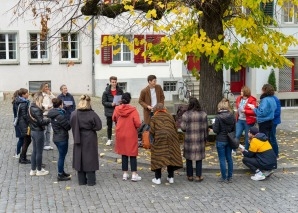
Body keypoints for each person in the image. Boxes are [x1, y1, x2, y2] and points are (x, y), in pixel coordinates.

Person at [70, 95, 102, 186]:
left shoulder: (74, 113)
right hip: (89, 137)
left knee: (79, 157)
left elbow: (71, 123)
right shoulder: (92, 114)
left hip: (78, 136)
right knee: (90, 157)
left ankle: (82, 180)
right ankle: (91, 181)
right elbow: (98, 126)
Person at [150, 103, 183, 184]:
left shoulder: (154, 117)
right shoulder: (170, 116)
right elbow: (175, 128)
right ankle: (170, 177)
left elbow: (152, 131)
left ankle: (157, 178)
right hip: (172, 138)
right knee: (170, 156)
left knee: (158, 156)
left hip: (160, 138)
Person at [112, 93, 142, 182]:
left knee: (123, 153)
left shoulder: (117, 109)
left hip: (120, 132)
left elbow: (114, 118)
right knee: (132, 153)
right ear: (130, 100)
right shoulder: (133, 110)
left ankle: (125, 173)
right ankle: (134, 174)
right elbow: (138, 123)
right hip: (131, 133)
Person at [180, 97, 208, 182]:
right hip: (199, 139)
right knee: (199, 158)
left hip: (189, 139)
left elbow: (183, 127)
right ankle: (198, 176)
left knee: (189, 158)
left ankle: (190, 176)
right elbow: (205, 128)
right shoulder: (203, 114)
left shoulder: (186, 115)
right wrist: (206, 138)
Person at [48, 98, 72, 181]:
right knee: (61, 157)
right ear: (60, 105)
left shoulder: (53, 113)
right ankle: (60, 174)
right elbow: (68, 126)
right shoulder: (60, 116)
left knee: (62, 156)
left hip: (56, 137)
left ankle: (62, 171)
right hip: (62, 138)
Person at [213, 100, 236, 183]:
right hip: (229, 139)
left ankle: (223, 177)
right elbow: (234, 129)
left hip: (220, 140)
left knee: (222, 159)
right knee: (229, 158)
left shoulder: (218, 117)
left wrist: (213, 124)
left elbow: (216, 130)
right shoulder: (232, 116)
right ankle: (230, 177)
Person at [28, 92, 51, 176]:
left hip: (33, 131)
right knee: (39, 152)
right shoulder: (37, 109)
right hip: (38, 131)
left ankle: (33, 169)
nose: (42, 101)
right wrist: (49, 119)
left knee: (34, 151)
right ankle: (39, 170)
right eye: (42, 99)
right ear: (39, 99)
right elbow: (41, 122)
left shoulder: (30, 106)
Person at [102, 76, 123, 146]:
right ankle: (109, 139)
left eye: (115, 82)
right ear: (110, 82)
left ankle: (119, 139)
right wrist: (111, 104)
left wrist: (121, 102)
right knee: (109, 126)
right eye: (112, 82)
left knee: (119, 126)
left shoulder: (120, 90)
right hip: (109, 111)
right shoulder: (106, 92)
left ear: (117, 82)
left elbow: (123, 99)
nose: (114, 83)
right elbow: (104, 102)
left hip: (118, 111)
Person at [14, 88, 32, 164]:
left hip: (22, 123)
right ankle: (22, 158)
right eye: (27, 93)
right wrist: (31, 121)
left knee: (27, 140)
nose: (28, 94)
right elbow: (25, 116)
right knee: (27, 140)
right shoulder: (23, 103)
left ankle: (23, 157)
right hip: (24, 124)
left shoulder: (21, 101)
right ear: (23, 95)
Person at [40, 82, 55, 150]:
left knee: (49, 130)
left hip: (50, 114)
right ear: (42, 87)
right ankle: (42, 144)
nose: (47, 88)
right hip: (44, 114)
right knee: (44, 130)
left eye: (48, 86)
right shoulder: (40, 95)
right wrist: (47, 107)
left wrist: (50, 95)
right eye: (46, 87)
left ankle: (48, 144)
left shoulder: (49, 94)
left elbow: (55, 101)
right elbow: (39, 104)